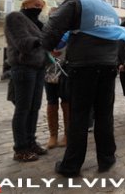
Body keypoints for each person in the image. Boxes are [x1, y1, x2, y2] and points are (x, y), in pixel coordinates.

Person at [42, 0, 121, 176]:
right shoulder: (111, 10)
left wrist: (46, 47)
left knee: (79, 116)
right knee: (104, 114)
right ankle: (107, 158)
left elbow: (53, 28)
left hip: (84, 67)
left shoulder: (76, 2)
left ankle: (71, 165)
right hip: (109, 66)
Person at [4, 0, 48, 162]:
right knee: (23, 109)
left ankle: (31, 142)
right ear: (25, 4)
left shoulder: (39, 24)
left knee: (34, 107)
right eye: (35, 4)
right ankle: (20, 148)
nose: (38, 8)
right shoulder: (15, 17)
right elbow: (22, 43)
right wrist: (42, 40)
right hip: (23, 67)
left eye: (41, 6)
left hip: (38, 68)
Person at [44, 8, 69, 149]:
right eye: (51, 16)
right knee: (51, 101)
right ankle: (53, 135)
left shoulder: (68, 32)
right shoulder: (45, 31)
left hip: (65, 71)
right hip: (49, 71)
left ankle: (67, 134)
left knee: (66, 102)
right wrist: (48, 51)